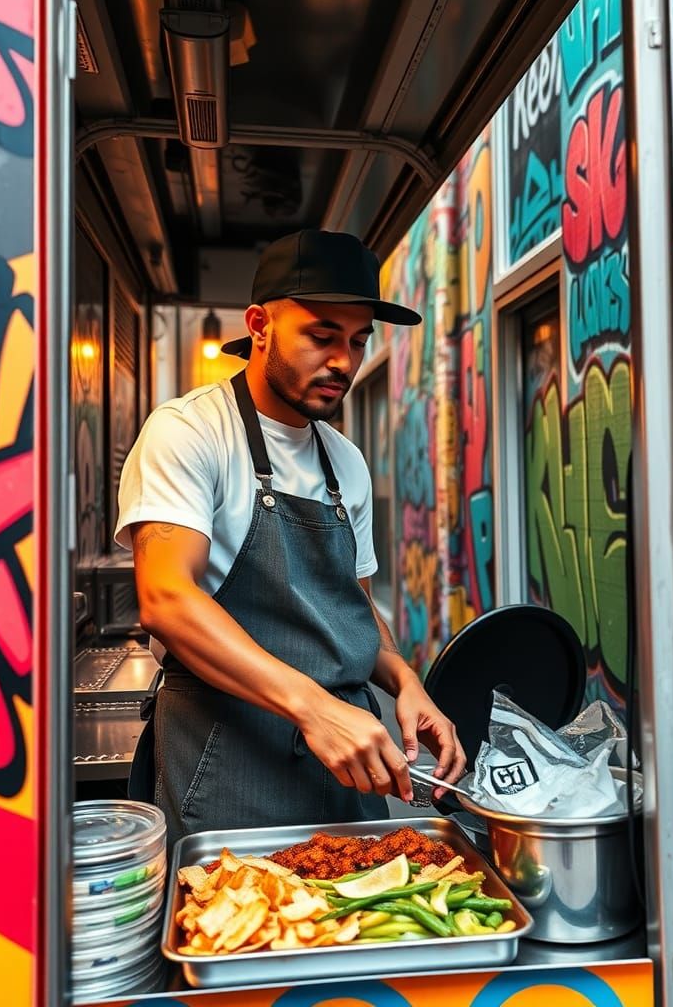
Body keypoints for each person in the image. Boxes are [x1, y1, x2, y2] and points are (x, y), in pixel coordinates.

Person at [115, 229, 465, 847]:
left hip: (349, 762)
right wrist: (313, 707)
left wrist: (407, 684)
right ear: (259, 325)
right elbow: (166, 599)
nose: (344, 362)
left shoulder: (345, 462)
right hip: (228, 756)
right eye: (321, 335)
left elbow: (350, 615)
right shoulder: (190, 432)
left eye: (358, 342)